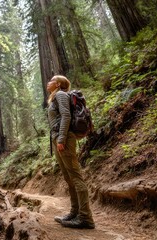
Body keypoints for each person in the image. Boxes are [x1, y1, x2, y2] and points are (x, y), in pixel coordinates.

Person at [47, 75, 95, 229]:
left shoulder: (61, 94)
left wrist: (61, 139)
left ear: (58, 84)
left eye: (51, 80)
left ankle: (86, 218)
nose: (48, 82)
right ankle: (74, 212)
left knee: (75, 176)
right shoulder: (55, 97)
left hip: (65, 138)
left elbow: (66, 115)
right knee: (69, 178)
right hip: (59, 138)